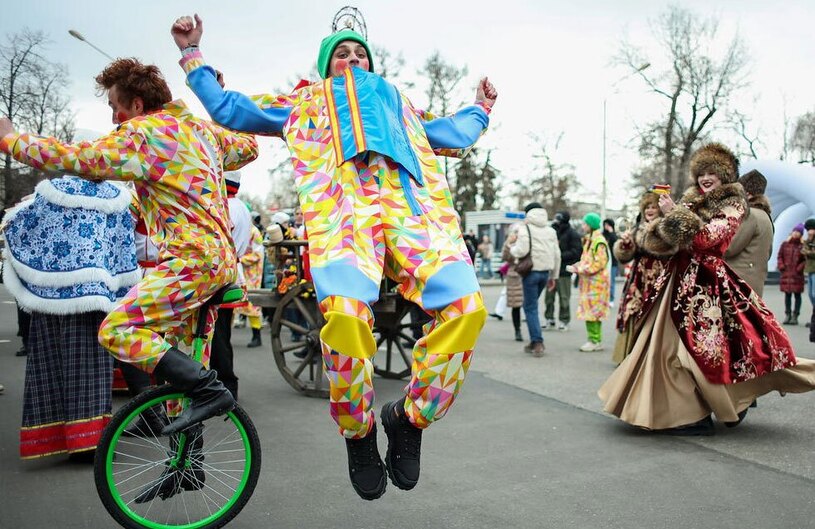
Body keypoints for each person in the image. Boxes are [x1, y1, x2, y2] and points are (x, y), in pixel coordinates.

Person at [171, 14, 496, 500]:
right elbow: (229, 108)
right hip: (345, 220)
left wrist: (482, 108)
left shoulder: (399, 106)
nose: (353, 60)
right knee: (345, 319)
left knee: (468, 310)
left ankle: (409, 418)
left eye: (360, 53)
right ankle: (359, 432)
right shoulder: (304, 103)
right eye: (341, 55)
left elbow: (450, 131)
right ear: (326, 68)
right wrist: (193, 54)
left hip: (413, 219)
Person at [0, 57, 259, 440]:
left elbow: (78, 158)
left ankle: (210, 389)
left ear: (136, 104)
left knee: (117, 329)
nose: (113, 119)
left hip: (192, 260)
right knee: (178, 362)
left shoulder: (142, 134)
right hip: (217, 261)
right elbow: (249, 146)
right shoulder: (199, 130)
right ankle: (187, 464)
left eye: (114, 107)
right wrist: (215, 99)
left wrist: (11, 139)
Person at [599, 142, 815, 436]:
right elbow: (663, 244)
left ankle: (701, 414)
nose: (705, 178)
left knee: (701, 352)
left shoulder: (733, 204)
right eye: (701, 172)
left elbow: (706, 240)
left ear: (725, 175)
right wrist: (657, 228)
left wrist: (675, 213)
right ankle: (684, 411)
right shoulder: (691, 202)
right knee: (664, 349)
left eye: (712, 172)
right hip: (675, 283)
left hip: (706, 286)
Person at [2, 175, 139, 460]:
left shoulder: (53, 191)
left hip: (52, 295)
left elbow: (19, 226)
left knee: (49, 366)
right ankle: (89, 442)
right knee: (91, 370)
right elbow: (125, 245)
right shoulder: (117, 197)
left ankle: (52, 437)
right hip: (96, 295)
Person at [611, 192, 673, 365]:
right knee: (632, 310)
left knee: (655, 313)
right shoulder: (637, 227)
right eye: (647, 207)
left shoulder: (666, 227)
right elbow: (625, 257)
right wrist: (626, 245)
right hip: (639, 277)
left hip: (660, 274)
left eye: (653, 207)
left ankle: (652, 358)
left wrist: (651, 232)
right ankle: (628, 355)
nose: (650, 210)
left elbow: (672, 248)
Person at [210, 171, 254, 400]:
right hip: (232, 270)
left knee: (216, 336)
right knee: (222, 334)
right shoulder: (242, 207)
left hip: (219, 273)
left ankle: (225, 386)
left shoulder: (223, 206)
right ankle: (225, 385)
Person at [510, 202, 560, 357]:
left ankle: (537, 342)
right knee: (532, 306)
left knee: (530, 307)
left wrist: (512, 248)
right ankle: (534, 340)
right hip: (545, 273)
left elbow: (521, 250)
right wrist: (554, 277)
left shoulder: (525, 229)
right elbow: (557, 255)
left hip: (530, 272)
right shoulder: (551, 231)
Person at [724, 169, 773, 296]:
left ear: (748, 194)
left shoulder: (750, 215)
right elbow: (768, 253)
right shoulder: (766, 216)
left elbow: (730, 248)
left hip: (738, 283)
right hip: (755, 283)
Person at [567, 213, 610, 352]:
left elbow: (598, 264)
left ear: (591, 225)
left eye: (585, 224)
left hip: (596, 284)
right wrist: (578, 265)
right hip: (590, 284)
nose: (583, 226)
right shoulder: (590, 240)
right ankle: (594, 339)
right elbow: (588, 261)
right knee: (591, 313)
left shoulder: (598, 241)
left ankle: (595, 340)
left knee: (593, 313)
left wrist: (578, 269)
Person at [544, 211, 582, 331]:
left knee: (564, 297)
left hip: (564, 271)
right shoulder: (551, 231)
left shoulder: (572, 234)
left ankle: (564, 320)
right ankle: (549, 318)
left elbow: (577, 252)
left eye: (559, 218)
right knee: (548, 297)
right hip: (551, 269)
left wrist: (559, 255)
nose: (556, 220)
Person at [500, 224, 525, 342]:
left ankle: (533, 332)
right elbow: (504, 257)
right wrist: (507, 244)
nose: (515, 235)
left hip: (525, 274)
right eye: (514, 233)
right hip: (514, 276)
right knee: (516, 305)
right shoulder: (509, 244)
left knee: (529, 305)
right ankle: (518, 330)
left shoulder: (525, 242)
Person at [777, 224, 806, 325]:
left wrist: (799, 268)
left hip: (797, 275)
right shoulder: (785, 244)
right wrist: (781, 266)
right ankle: (788, 314)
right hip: (786, 274)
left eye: (798, 232)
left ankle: (795, 315)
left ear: (801, 234)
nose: (796, 233)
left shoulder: (803, 246)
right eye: (795, 231)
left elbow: (805, 260)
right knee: (787, 295)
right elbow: (780, 256)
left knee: (797, 295)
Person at [602, 218, 619, 307]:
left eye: (608, 225)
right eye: (605, 225)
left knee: (611, 282)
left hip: (613, 263)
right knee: (603, 282)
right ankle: (604, 299)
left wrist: (611, 232)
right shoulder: (602, 235)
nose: (606, 227)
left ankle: (611, 299)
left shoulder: (614, 235)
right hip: (603, 263)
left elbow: (616, 243)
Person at [802, 218, 815, 329]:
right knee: (811, 295)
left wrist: (808, 252)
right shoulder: (809, 240)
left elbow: (810, 253)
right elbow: (803, 250)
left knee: (814, 294)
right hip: (810, 270)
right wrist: (809, 240)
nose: (809, 232)